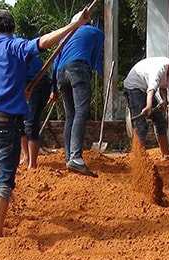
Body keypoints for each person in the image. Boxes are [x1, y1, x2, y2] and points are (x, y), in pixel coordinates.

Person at [0, 8, 95, 238]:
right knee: (5, 175)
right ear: (12, 29)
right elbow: (43, 42)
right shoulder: (14, 46)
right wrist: (73, 25)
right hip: (5, 121)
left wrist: (16, 93)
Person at [51, 12, 104, 177]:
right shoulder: (96, 32)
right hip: (78, 68)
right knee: (81, 112)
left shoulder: (65, 35)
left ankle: (69, 157)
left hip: (61, 73)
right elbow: (95, 59)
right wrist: (97, 72)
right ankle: (75, 158)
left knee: (70, 115)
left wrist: (53, 89)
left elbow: (54, 62)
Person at [123, 50, 169, 159]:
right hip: (134, 86)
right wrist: (148, 106)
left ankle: (166, 155)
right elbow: (152, 89)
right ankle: (138, 159)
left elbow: (162, 87)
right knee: (141, 125)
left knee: (160, 120)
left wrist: (164, 101)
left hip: (145, 88)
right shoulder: (159, 69)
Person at [20, 55, 51, 169]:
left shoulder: (14, 48)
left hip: (37, 83)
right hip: (23, 84)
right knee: (19, 121)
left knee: (30, 123)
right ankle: (26, 156)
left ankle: (32, 164)